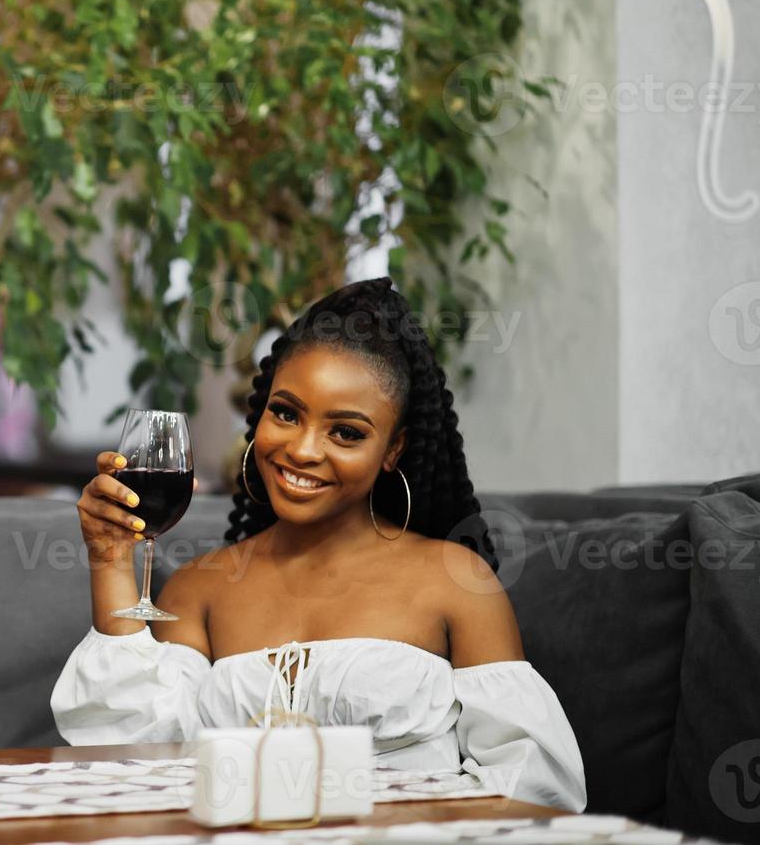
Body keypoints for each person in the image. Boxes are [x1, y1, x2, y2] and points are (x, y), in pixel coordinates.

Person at [50, 277, 587, 813]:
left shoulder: (456, 581)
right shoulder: (202, 588)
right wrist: (109, 556)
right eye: (285, 413)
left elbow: (531, 788)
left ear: (393, 449)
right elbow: (135, 761)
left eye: (346, 433)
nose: (302, 450)